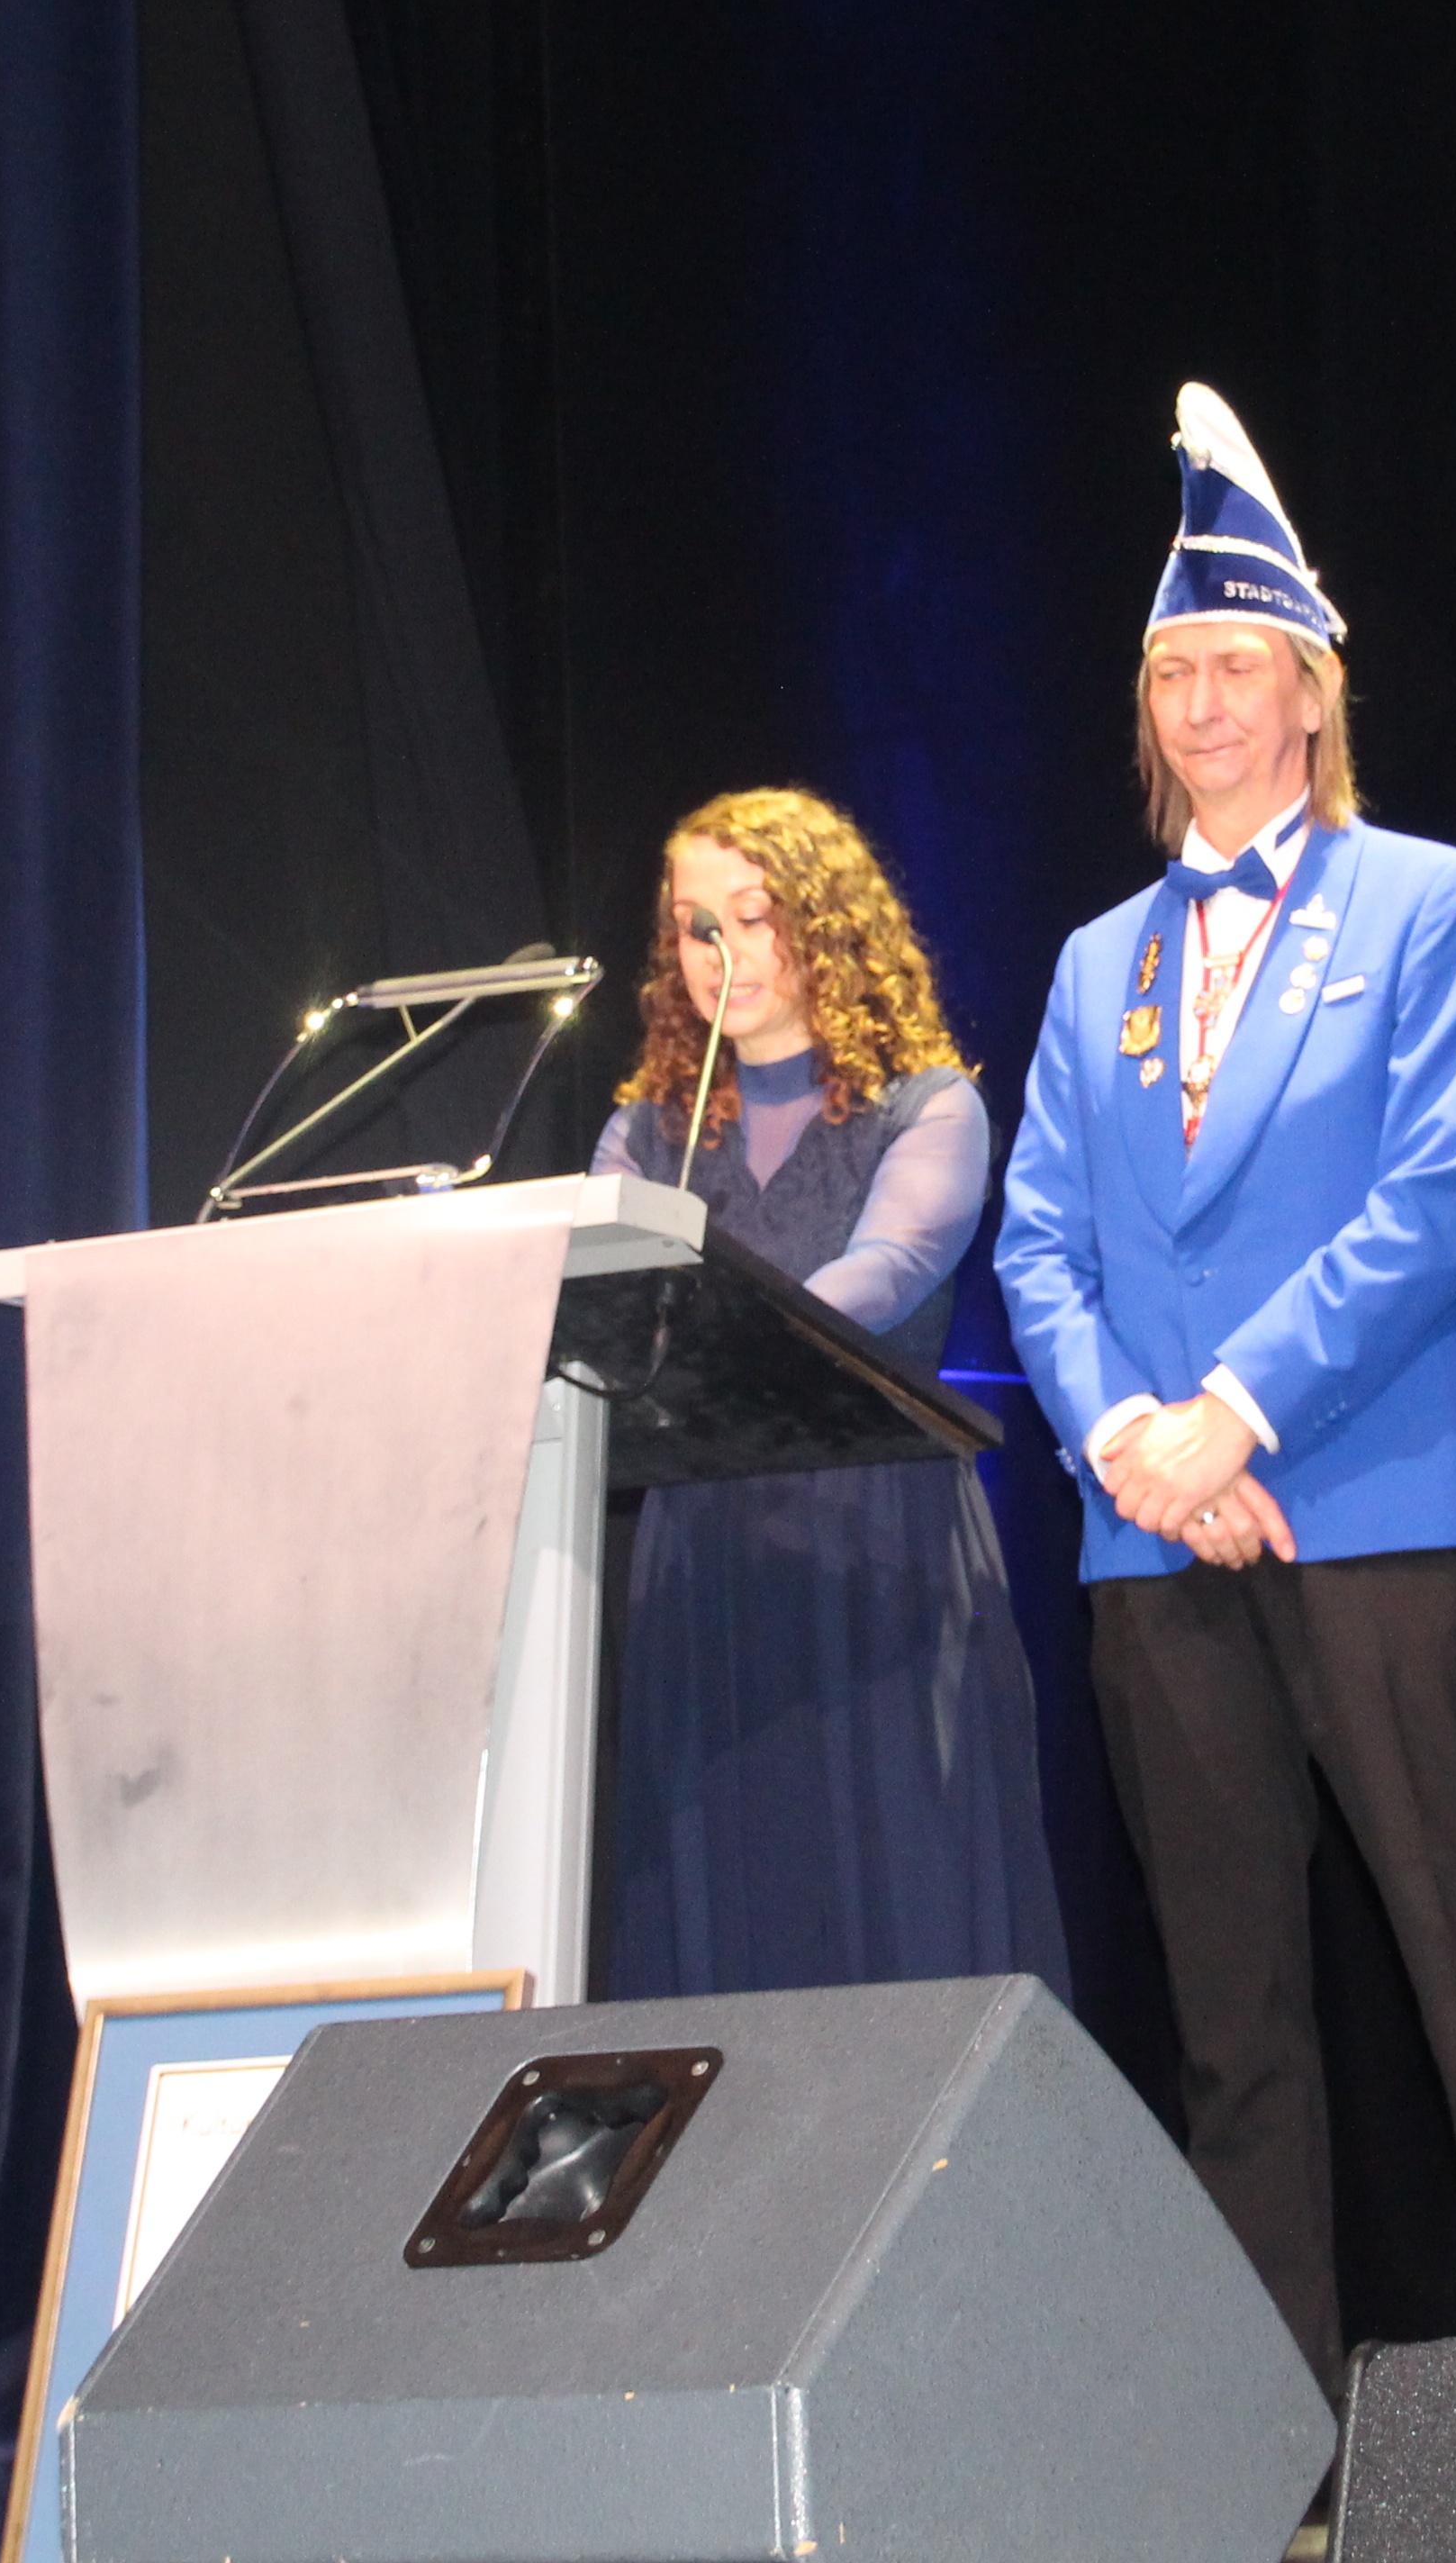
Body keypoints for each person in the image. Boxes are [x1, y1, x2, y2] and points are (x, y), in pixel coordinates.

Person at [995, 384, 1456, 2381]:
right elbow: (1039, 1243)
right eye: (1172, 673)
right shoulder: (1095, 963)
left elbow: (1446, 1201)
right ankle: (1284, 2452)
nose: (1203, 704)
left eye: (1237, 666)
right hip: (1151, 1541)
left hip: (1376, 1503)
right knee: (1231, 2024)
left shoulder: (1433, 901)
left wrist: (1232, 1416)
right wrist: (1133, 1445)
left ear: (1312, 692)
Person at [588, 787, 1072, 2004]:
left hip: (880, 1549)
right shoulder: (646, 1132)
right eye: (696, 927)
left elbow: (889, 1270)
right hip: (703, 1556)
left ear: (828, 924)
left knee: (901, 1908)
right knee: (719, 1912)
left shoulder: (932, 1105)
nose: (723, 954)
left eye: (755, 918)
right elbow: (602, 1304)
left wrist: (707, 1333)